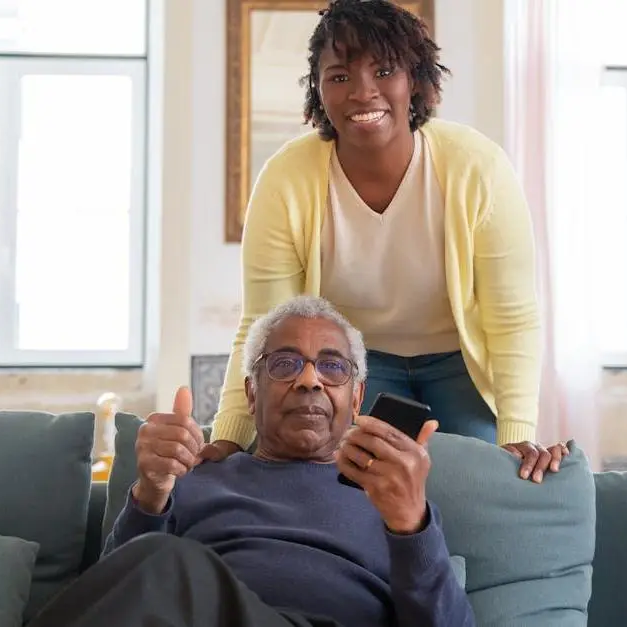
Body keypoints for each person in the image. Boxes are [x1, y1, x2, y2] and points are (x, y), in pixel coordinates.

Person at [205, 0, 566, 483]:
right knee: (350, 488)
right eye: (339, 77)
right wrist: (228, 433)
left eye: (384, 71)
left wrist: (516, 431)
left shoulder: (478, 168)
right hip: (356, 365)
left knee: (478, 487)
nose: (363, 93)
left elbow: (513, 314)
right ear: (318, 92)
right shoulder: (285, 180)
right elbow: (264, 322)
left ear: (414, 80)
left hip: (460, 363)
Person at [28, 296, 475, 627]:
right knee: (162, 562)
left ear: (355, 397)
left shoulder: (392, 496)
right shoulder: (194, 477)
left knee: (168, 562)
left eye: (332, 367)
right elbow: (116, 596)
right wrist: (150, 493)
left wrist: (411, 523)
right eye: (285, 363)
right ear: (250, 392)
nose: (308, 380)